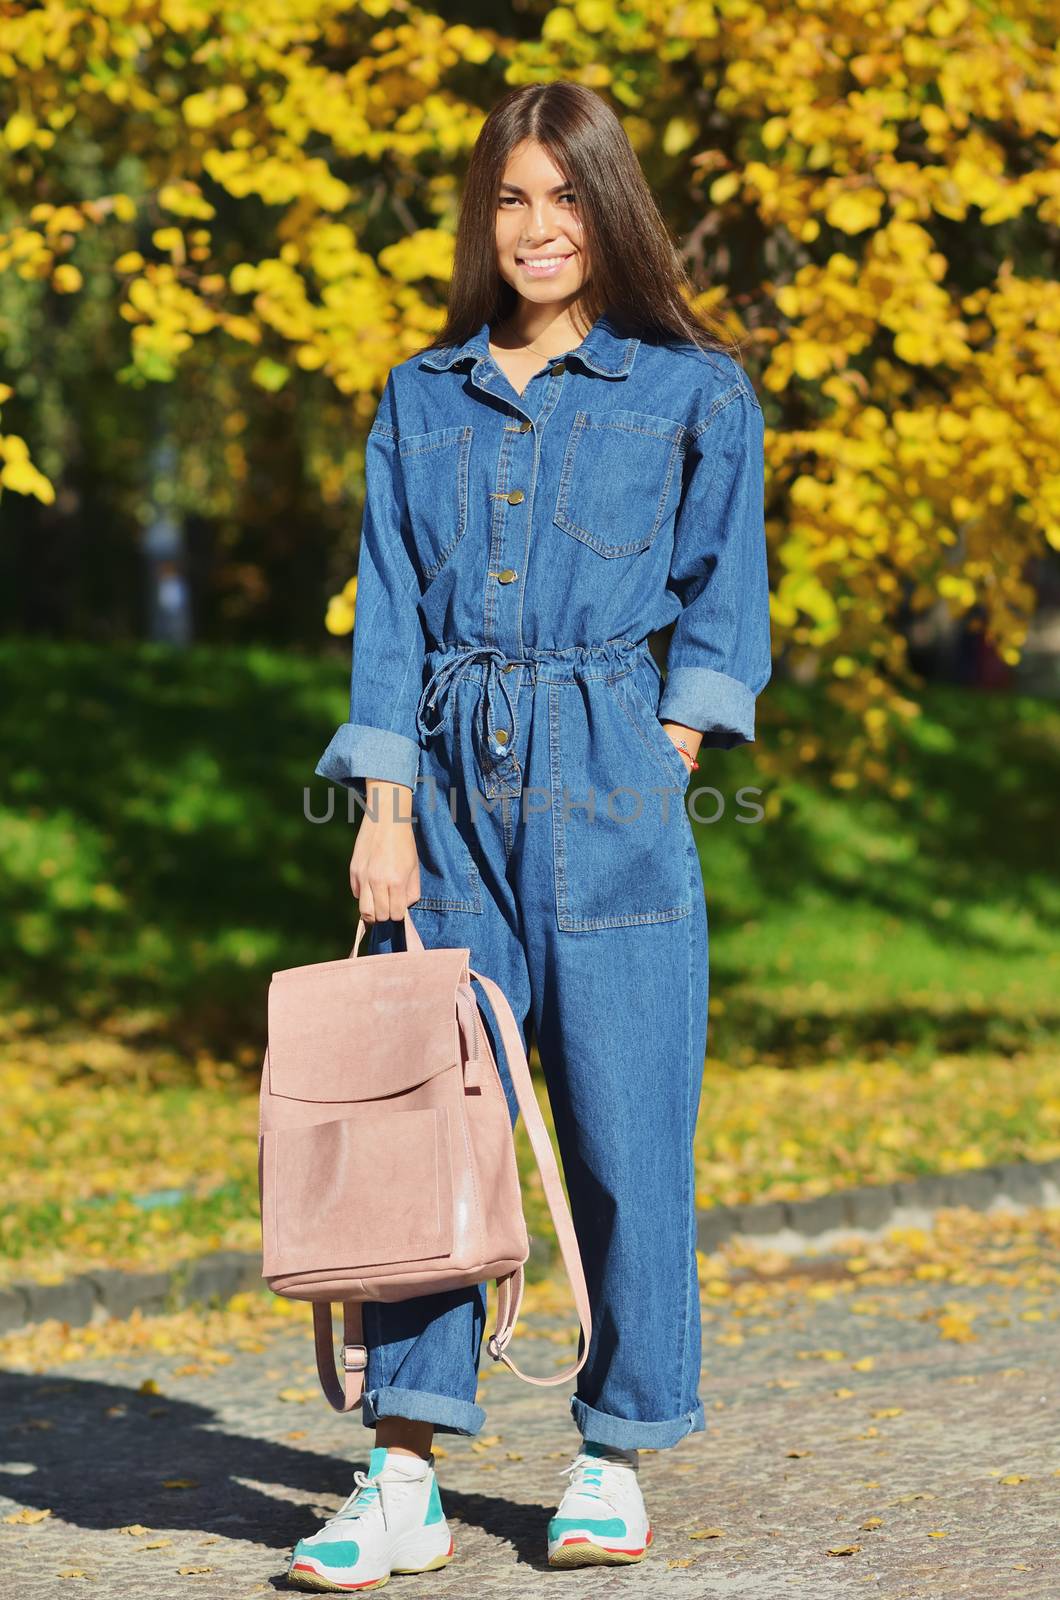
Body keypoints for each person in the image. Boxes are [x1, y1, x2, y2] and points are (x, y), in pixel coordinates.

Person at [289, 78, 772, 1591]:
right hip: (444, 803)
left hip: (612, 788)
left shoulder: (690, 389)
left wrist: (660, 747)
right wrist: (383, 813)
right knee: (431, 1133)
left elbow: (722, 601)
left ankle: (614, 1453)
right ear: (480, 216)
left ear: (608, 209)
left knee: (629, 1136)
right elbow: (392, 611)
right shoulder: (421, 395)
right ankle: (403, 1472)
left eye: (566, 197)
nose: (538, 227)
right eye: (511, 198)